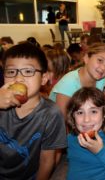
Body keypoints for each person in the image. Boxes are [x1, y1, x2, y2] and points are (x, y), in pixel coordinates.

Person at [0, 43, 67, 179]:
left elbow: (47, 161)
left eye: (28, 71)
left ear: (44, 78)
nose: (18, 78)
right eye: (11, 72)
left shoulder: (51, 114)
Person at [49, 42, 105, 121]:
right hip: (56, 123)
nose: (103, 68)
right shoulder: (69, 82)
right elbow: (61, 119)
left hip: (82, 117)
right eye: (100, 60)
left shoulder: (101, 80)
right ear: (86, 58)